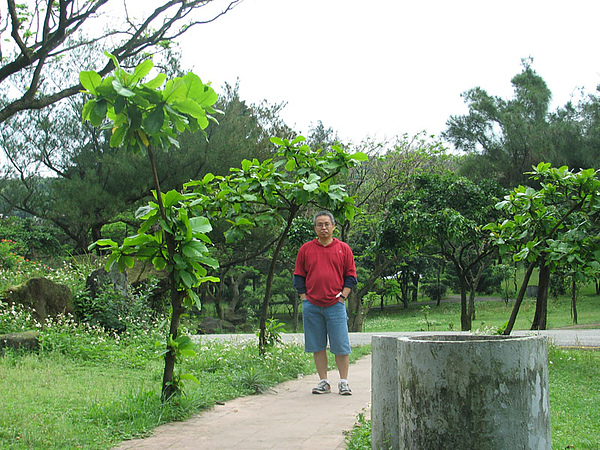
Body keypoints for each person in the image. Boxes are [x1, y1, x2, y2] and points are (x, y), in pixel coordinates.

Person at [293, 211, 358, 395]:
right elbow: (299, 276)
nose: (323, 228)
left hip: (335, 305)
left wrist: (342, 298)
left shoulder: (343, 249)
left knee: (341, 345)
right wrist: (304, 298)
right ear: (315, 228)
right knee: (317, 345)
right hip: (312, 305)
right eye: (319, 224)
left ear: (333, 226)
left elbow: (351, 277)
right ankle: (323, 382)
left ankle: (344, 382)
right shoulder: (305, 249)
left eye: (327, 224)